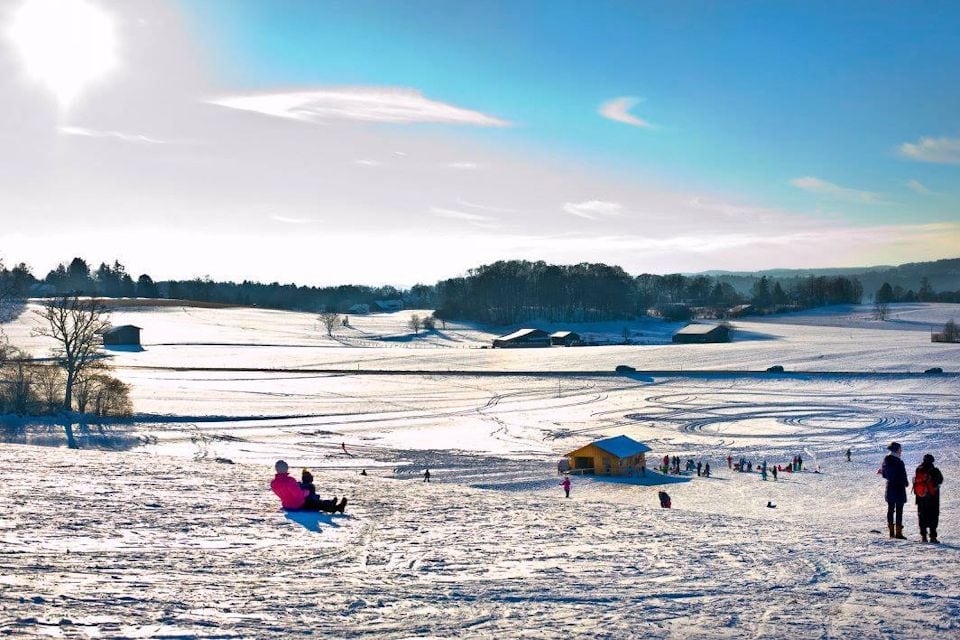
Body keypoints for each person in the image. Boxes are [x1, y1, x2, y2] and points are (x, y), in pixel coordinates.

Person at [271, 460, 345, 513]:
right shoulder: (290, 480)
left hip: (287, 504)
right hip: (297, 504)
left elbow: (286, 492)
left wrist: (299, 486)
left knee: (311, 496)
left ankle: (330, 503)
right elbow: (298, 495)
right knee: (314, 503)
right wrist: (305, 492)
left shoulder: (273, 483)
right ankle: (336, 508)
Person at [913, 454, 943, 543]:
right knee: (933, 516)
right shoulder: (935, 470)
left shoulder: (918, 469)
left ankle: (923, 537)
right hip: (933, 498)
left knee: (922, 515)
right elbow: (940, 480)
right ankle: (933, 537)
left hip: (920, 497)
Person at [881, 442, 908, 539]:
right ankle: (898, 533)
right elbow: (902, 475)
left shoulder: (886, 460)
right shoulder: (899, 462)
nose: (901, 451)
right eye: (900, 449)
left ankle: (891, 533)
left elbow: (884, 474)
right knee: (899, 511)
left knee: (890, 510)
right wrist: (905, 482)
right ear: (896, 450)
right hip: (899, 488)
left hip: (890, 488)